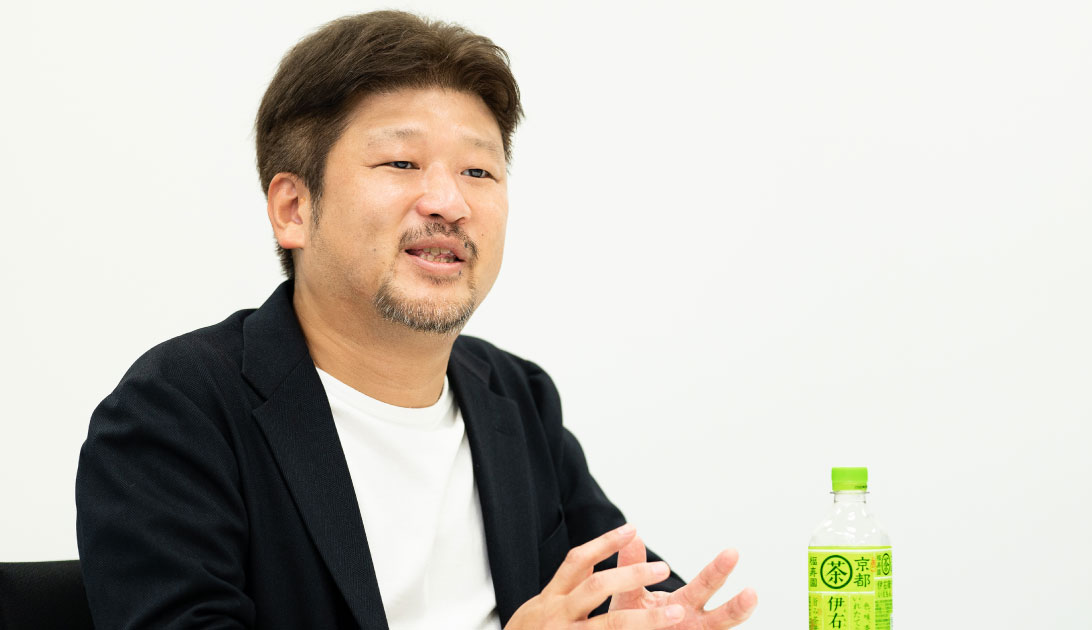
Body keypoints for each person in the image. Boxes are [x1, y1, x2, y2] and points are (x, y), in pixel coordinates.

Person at [75, 10, 757, 630]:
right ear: (293, 210)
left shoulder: (516, 398)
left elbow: (621, 594)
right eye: (401, 162)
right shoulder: (176, 413)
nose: (448, 202)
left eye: (479, 172)